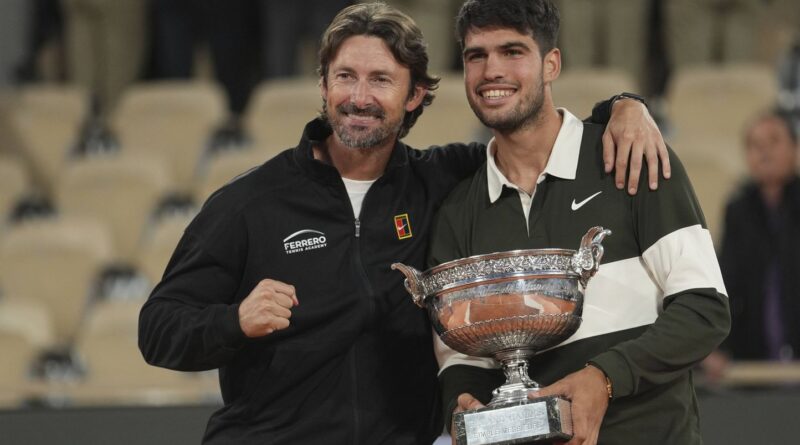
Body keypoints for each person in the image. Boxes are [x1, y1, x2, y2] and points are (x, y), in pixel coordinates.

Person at [138, 3, 669, 444]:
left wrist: (625, 106)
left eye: (381, 80)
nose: (359, 98)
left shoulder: (445, 180)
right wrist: (234, 321)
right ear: (323, 85)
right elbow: (157, 328)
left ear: (414, 95)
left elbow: (536, 131)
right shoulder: (249, 202)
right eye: (344, 77)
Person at [427, 1, 730, 444]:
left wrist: (604, 377)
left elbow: (705, 309)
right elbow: (461, 360)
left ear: (552, 64)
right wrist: (464, 404)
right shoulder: (457, 211)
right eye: (477, 55)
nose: (492, 70)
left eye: (512, 51)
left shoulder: (632, 156)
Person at [719, 111, 800, 362]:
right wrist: (718, 347)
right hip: (752, 358)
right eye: (755, 145)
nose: (764, 152)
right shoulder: (738, 210)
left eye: (774, 141)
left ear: (795, 148)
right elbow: (727, 284)